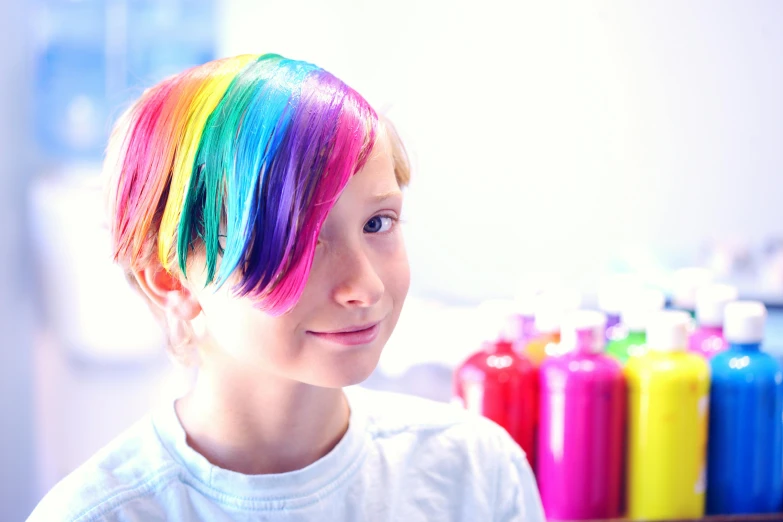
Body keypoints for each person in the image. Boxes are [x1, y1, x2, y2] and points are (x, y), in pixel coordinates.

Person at [29, 53, 544, 521]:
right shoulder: (97, 514)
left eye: (378, 223)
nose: (364, 287)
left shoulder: (473, 474)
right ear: (173, 281)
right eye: (300, 238)